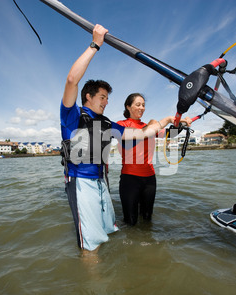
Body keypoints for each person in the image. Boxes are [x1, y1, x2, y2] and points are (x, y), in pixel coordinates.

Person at [60, 24, 186, 252]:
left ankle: (132, 260)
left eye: (107, 98)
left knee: (113, 230)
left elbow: (155, 135)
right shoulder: (73, 114)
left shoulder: (111, 124)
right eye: (102, 97)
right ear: (88, 96)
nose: (105, 101)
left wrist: (173, 121)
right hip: (89, 179)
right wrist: (95, 44)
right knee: (101, 237)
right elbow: (71, 80)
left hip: (106, 181)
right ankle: (96, 283)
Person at [117, 93, 167, 225]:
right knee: (130, 222)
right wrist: (152, 125)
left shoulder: (149, 126)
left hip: (150, 179)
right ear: (128, 106)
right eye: (138, 104)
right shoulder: (121, 125)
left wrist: (180, 123)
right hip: (130, 179)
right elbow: (131, 140)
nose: (141, 108)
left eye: (143, 105)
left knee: (147, 219)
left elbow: (168, 133)